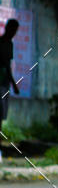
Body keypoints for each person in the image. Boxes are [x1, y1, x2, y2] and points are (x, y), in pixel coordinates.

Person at [0, 18, 20, 160]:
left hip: (4, 83)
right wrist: (14, 83)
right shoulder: (2, 43)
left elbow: (8, 65)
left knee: (1, 116)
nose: (14, 33)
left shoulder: (10, 44)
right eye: (13, 30)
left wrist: (12, 83)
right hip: (2, 83)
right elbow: (6, 65)